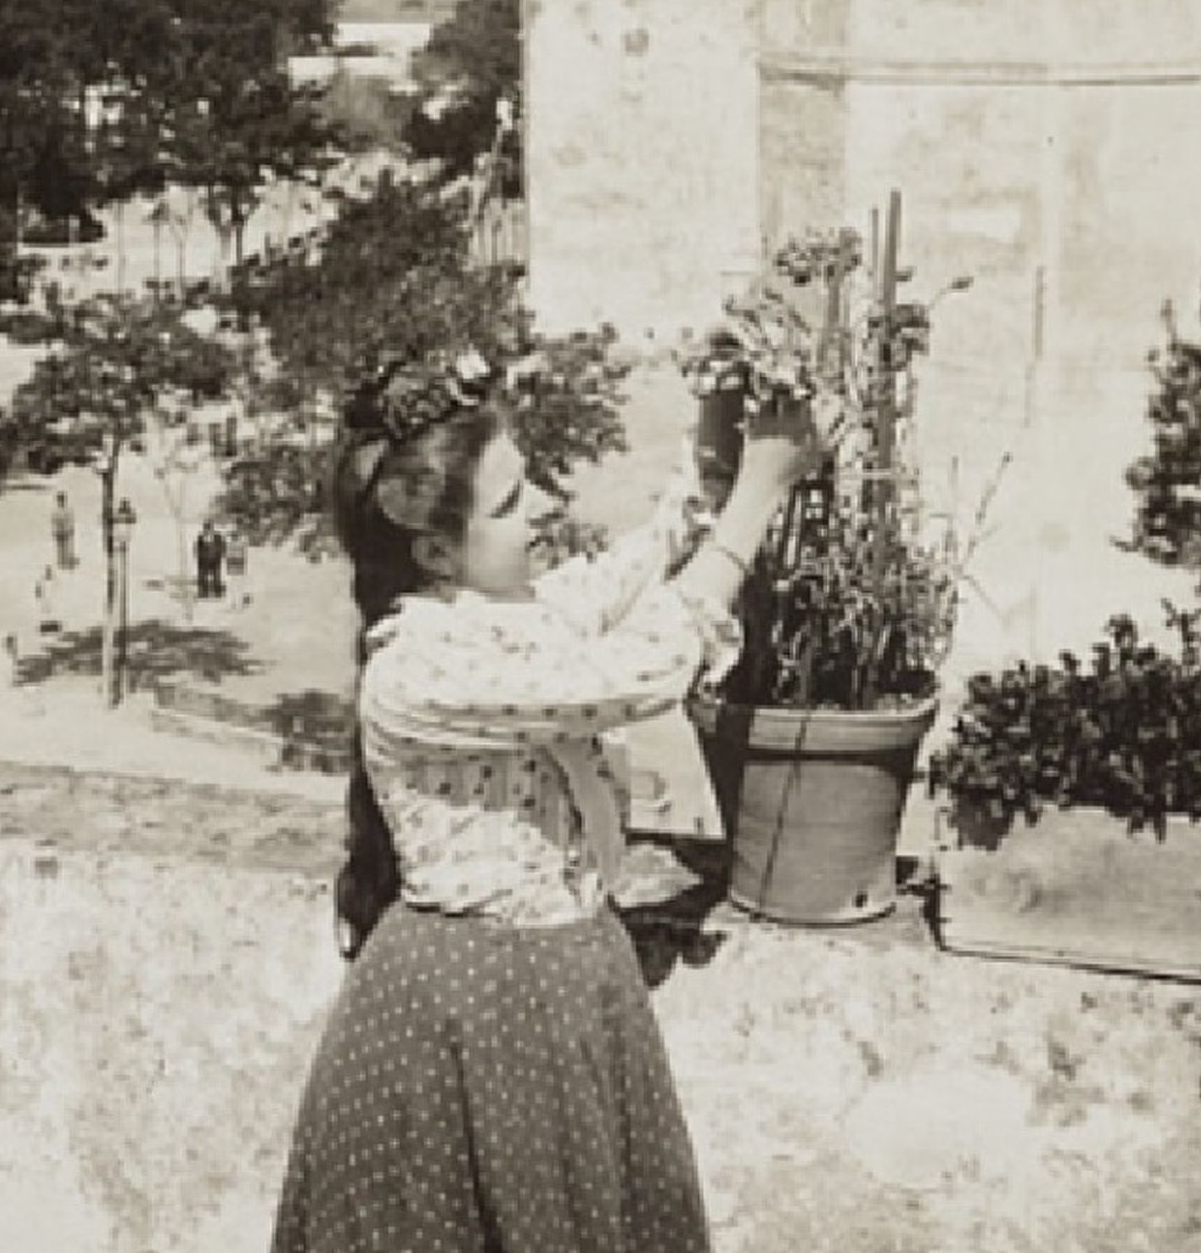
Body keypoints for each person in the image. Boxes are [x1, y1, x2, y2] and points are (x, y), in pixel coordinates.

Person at [271, 346, 832, 1253]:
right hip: (469, 1010)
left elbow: (612, 583)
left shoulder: (499, 620)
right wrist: (757, 500)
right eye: (510, 502)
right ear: (436, 549)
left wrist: (709, 455)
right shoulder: (419, 667)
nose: (544, 510)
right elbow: (635, 670)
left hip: (563, 984)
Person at [195, 515, 226, 600]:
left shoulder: (217, 537)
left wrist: (220, 555)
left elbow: (222, 547)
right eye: (206, 527)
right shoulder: (201, 537)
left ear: (212, 528)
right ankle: (203, 593)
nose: (208, 529)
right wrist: (199, 558)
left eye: (209, 527)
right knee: (203, 576)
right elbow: (198, 549)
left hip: (215, 560)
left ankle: (217, 593)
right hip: (204, 560)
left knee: (217, 577)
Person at [51, 490, 76, 572]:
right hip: (60, 531)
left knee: (66, 546)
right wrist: (54, 530)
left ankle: (65, 560)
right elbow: (54, 521)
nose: (61, 502)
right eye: (59, 500)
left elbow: (70, 521)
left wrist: (71, 529)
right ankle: (61, 562)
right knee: (60, 547)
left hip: (65, 531)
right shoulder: (56, 511)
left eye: (62, 500)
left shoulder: (67, 510)